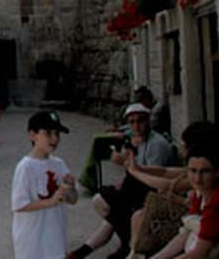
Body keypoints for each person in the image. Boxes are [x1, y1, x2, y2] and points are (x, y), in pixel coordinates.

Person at [68, 103, 173, 259]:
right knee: (100, 201)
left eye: (140, 121)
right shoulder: (132, 139)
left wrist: (124, 164)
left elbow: (153, 177)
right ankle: (124, 244)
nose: (136, 126)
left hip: (152, 191)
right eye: (132, 122)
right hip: (135, 188)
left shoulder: (157, 144)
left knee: (116, 214)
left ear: (148, 121)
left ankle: (89, 251)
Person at [12, 110, 78, 259]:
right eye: (48, 133)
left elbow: (72, 200)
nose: (54, 139)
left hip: (55, 238)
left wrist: (71, 186)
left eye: (57, 134)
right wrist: (51, 201)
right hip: (31, 241)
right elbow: (19, 205)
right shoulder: (25, 167)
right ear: (32, 135)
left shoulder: (59, 164)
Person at [146, 145, 219, 258]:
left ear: (218, 172)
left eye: (205, 172)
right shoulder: (200, 193)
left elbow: (199, 253)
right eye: (193, 171)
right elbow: (187, 232)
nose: (197, 179)